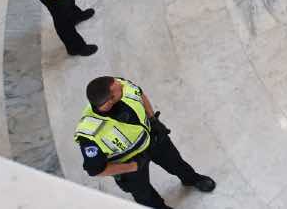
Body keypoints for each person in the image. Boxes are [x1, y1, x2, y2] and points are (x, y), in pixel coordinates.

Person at [76, 75, 215, 207]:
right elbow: (96, 170)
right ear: (109, 102)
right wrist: (133, 167)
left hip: (152, 138)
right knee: (144, 195)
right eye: (120, 88)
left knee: (175, 161)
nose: (122, 85)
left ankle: (191, 179)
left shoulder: (118, 84)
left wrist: (153, 120)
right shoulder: (90, 134)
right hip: (129, 163)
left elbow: (139, 94)